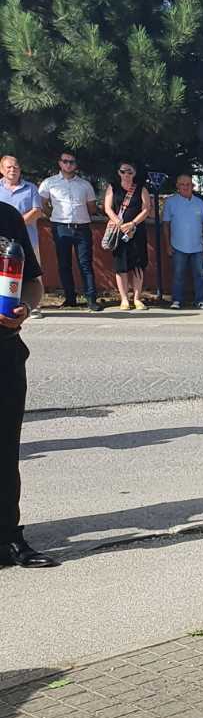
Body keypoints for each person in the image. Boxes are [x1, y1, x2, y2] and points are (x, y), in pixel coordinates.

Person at [0, 199, 58, 569]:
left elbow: (33, 284)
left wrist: (25, 308)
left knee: (5, 450)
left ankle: (8, 537)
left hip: (5, 349)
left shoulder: (6, 216)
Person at [39, 152, 99, 310]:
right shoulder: (49, 183)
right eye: (65, 161)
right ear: (59, 163)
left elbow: (92, 207)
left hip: (82, 227)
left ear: (76, 164)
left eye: (72, 162)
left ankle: (91, 299)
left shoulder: (85, 185)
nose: (68, 164)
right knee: (64, 264)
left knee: (85, 264)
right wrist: (53, 215)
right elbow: (42, 203)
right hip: (61, 227)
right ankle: (70, 299)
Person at [104, 163, 153, 311]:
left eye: (130, 172)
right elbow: (107, 208)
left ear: (134, 173)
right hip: (119, 231)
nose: (126, 174)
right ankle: (124, 299)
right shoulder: (112, 187)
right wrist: (119, 223)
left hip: (137, 231)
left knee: (138, 264)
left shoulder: (141, 189)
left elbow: (146, 209)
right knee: (121, 266)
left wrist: (133, 223)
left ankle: (137, 298)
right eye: (123, 171)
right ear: (119, 172)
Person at [162, 174, 203, 310]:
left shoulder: (200, 203)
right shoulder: (170, 202)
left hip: (198, 245)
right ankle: (177, 300)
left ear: (193, 186)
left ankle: (200, 300)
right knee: (178, 274)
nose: (185, 187)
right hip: (177, 245)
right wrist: (167, 245)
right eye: (182, 184)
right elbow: (166, 225)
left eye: (188, 184)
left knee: (199, 274)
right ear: (177, 186)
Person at [0, 157, 42, 254]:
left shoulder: (31, 188)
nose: (12, 170)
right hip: (1, 242)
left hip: (27, 241)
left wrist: (15, 224)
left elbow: (37, 212)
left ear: (20, 170)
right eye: (9, 167)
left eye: (15, 167)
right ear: (1, 170)